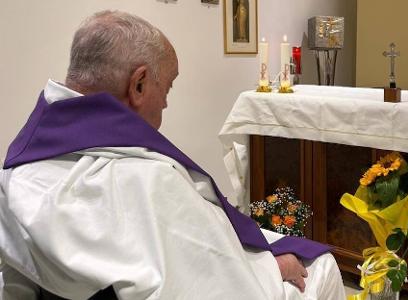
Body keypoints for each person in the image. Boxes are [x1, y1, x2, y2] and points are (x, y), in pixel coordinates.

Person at [0, 10, 344, 299]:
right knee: (323, 268)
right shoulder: (146, 180)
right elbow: (212, 282)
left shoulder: (19, 167)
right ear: (138, 85)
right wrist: (272, 267)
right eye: (167, 87)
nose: (165, 101)